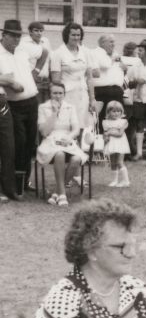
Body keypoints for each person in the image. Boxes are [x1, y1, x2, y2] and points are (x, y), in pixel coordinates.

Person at [0, 20, 39, 195]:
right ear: (4, 35)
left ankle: (25, 182)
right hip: (14, 104)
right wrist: (14, 84)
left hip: (32, 101)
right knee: (18, 144)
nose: (16, 39)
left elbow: (44, 52)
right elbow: (7, 81)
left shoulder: (22, 52)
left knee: (31, 143)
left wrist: (35, 73)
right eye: (13, 36)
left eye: (18, 36)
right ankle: (15, 185)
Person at [36, 81, 87, 204]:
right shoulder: (43, 107)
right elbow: (44, 132)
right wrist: (54, 112)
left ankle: (56, 192)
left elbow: (76, 129)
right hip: (50, 141)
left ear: (64, 94)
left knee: (76, 159)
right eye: (55, 93)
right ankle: (63, 194)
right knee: (59, 154)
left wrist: (69, 137)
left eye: (60, 93)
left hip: (67, 140)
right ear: (50, 94)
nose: (57, 96)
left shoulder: (70, 107)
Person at [50, 22, 91, 134]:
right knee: (66, 125)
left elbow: (89, 78)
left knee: (81, 125)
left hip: (82, 95)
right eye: (73, 35)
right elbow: (56, 80)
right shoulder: (58, 53)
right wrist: (57, 100)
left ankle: (78, 150)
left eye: (78, 35)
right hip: (66, 96)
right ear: (66, 35)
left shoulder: (85, 52)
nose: (76, 37)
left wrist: (92, 98)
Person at [125, 39, 146, 160]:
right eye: (138, 50)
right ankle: (139, 153)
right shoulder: (135, 66)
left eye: (141, 50)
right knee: (139, 125)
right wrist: (136, 82)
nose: (138, 52)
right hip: (138, 99)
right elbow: (127, 81)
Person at [90, 35, 125, 133]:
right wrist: (113, 60)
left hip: (116, 91)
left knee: (117, 120)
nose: (113, 44)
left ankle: (116, 143)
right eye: (110, 42)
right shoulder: (96, 52)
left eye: (114, 42)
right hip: (102, 91)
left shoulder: (115, 54)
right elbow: (105, 65)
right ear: (102, 43)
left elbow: (122, 68)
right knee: (101, 120)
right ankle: (100, 142)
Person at [19, 21, 50, 103]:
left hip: (46, 82)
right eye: (36, 30)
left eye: (41, 31)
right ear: (30, 31)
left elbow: (49, 60)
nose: (39, 33)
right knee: (36, 107)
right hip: (33, 81)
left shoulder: (45, 41)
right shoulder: (23, 43)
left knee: (46, 109)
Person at [102, 100, 131, 188]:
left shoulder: (123, 122)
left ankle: (126, 181)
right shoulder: (105, 122)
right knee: (113, 163)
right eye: (113, 111)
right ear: (108, 112)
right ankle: (114, 180)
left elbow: (120, 134)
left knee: (119, 162)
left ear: (121, 112)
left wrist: (109, 133)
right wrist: (105, 137)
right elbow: (105, 133)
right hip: (111, 144)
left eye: (118, 111)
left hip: (120, 144)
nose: (116, 113)